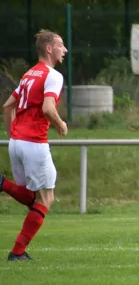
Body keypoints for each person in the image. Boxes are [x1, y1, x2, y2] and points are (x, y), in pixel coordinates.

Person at [1, 29, 68, 261]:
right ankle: (17, 252)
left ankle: (1, 183)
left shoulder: (29, 75)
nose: (65, 50)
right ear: (49, 48)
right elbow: (48, 108)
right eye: (61, 45)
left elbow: (7, 106)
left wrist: (13, 134)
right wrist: (60, 124)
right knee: (46, 199)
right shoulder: (53, 75)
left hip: (17, 142)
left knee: (31, 197)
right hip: (34, 143)